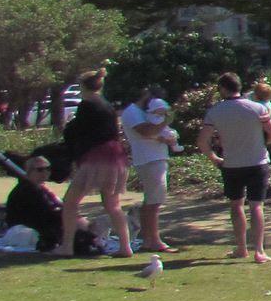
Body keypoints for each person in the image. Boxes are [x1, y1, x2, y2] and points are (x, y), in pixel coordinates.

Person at [199, 72, 271, 264]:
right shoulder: (257, 108)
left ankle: (241, 248)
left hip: (232, 163)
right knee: (256, 206)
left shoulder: (216, 111)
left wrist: (214, 157)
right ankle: (259, 250)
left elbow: (202, 141)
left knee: (236, 205)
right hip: (258, 161)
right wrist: (261, 144)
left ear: (222, 89)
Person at [59, 69, 134, 259]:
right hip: (115, 156)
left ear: (83, 86)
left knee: (70, 202)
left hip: (97, 156)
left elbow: (78, 131)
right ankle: (125, 246)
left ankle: (66, 246)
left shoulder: (87, 105)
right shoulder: (107, 106)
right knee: (112, 203)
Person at [120, 85, 180, 254]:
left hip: (156, 157)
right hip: (148, 159)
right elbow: (146, 132)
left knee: (152, 201)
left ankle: (149, 240)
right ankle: (154, 240)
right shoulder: (132, 112)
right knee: (154, 201)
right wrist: (166, 121)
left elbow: (153, 132)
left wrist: (167, 137)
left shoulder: (143, 112)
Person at [4, 156, 90, 254]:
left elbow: (56, 210)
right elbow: (46, 214)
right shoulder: (27, 190)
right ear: (29, 171)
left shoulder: (42, 189)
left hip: (38, 229)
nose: (45, 172)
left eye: (48, 169)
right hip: (22, 231)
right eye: (40, 170)